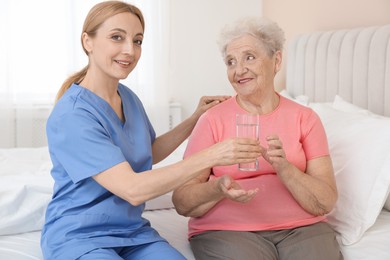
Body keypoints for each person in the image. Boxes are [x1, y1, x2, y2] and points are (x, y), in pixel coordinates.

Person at [40, 2, 261, 259]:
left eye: (137, 41)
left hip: (131, 233)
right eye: (116, 37)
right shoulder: (73, 115)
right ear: (87, 41)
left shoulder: (127, 97)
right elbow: (133, 189)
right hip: (80, 237)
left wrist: (195, 118)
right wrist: (213, 155)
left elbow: (148, 152)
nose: (129, 50)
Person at [172, 17, 343, 260]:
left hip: (304, 229)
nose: (238, 70)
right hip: (228, 231)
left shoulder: (305, 118)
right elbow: (182, 201)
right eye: (231, 62)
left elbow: (325, 202)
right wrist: (217, 188)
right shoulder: (212, 119)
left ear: (277, 60)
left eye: (249, 57)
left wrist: (285, 168)